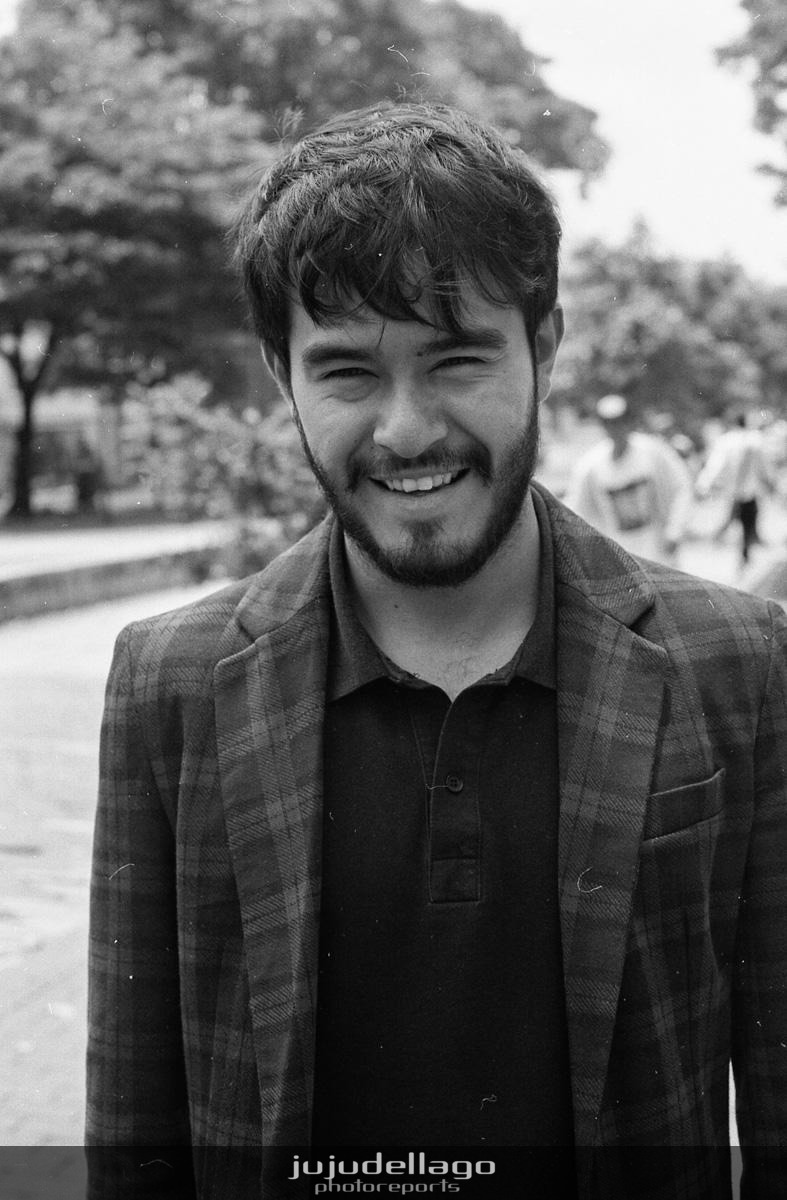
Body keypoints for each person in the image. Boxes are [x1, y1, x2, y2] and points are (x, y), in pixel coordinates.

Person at [86, 101, 787, 1199]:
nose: (406, 430)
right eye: (347, 372)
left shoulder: (738, 664)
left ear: (543, 349)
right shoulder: (170, 682)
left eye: (456, 358)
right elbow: (135, 1121)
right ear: (281, 374)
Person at [565, 394, 694, 565]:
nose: (615, 428)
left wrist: (675, 530)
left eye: (620, 422)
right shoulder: (591, 466)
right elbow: (576, 509)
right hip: (619, 559)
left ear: (629, 421)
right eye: (609, 423)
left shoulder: (653, 452)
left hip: (658, 553)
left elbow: (681, 486)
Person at [695, 413, 775, 568]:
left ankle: (735, 549)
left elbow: (715, 465)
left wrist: (703, 484)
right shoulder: (756, 441)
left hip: (733, 492)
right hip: (750, 492)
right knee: (746, 522)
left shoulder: (727, 441)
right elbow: (764, 466)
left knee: (735, 519)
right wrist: (770, 482)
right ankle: (743, 552)